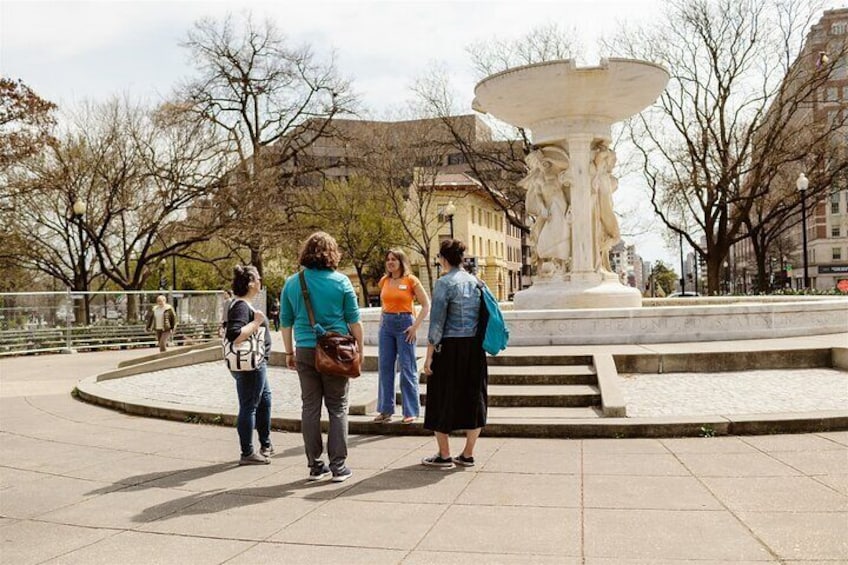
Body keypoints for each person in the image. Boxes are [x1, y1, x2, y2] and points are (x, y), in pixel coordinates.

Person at [280, 231, 362, 483]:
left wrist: (289, 352)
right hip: (335, 350)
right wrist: (359, 347)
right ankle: (338, 466)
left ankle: (315, 465)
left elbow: (285, 322)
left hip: (304, 349)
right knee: (337, 407)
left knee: (310, 407)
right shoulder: (341, 282)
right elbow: (354, 320)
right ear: (332, 253)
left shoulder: (292, 283)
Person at [421, 238, 488, 469]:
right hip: (474, 348)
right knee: (474, 398)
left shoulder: (444, 283)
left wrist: (429, 355)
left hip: (449, 348)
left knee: (441, 398)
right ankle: (468, 454)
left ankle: (444, 454)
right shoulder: (477, 282)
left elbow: (437, 323)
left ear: (443, 259)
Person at [373, 248, 431, 425]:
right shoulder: (384, 281)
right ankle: (385, 410)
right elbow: (385, 304)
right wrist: (382, 322)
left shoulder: (411, 280)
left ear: (401, 262)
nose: (390, 262)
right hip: (386, 326)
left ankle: (410, 411)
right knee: (385, 367)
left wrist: (415, 327)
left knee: (407, 368)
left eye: (394, 260)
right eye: (388, 259)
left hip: (405, 324)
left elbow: (426, 304)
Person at [225, 265, 273, 465]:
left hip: (255, 363)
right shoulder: (241, 306)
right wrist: (257, 322)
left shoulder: (242, 304)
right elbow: (234, 334)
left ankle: (265, 443)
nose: (261, 281)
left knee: (264, 400)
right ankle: (248, 452)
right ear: (251, 283)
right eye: (258, 278)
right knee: (249, 406)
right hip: (251, 365)